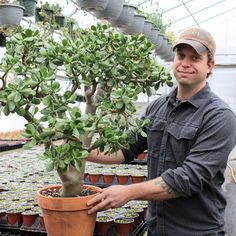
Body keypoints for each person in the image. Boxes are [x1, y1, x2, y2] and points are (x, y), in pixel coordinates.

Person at [86, 27, 236, 236]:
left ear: (210, 66)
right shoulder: (157, 107)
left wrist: (128, 192)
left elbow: (189, 177)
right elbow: (127, 149)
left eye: (195, 58)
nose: (185, 63)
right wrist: (78, 150)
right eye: (181, 56)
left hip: (197, 231)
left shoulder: (219, 116)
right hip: (156, 228)